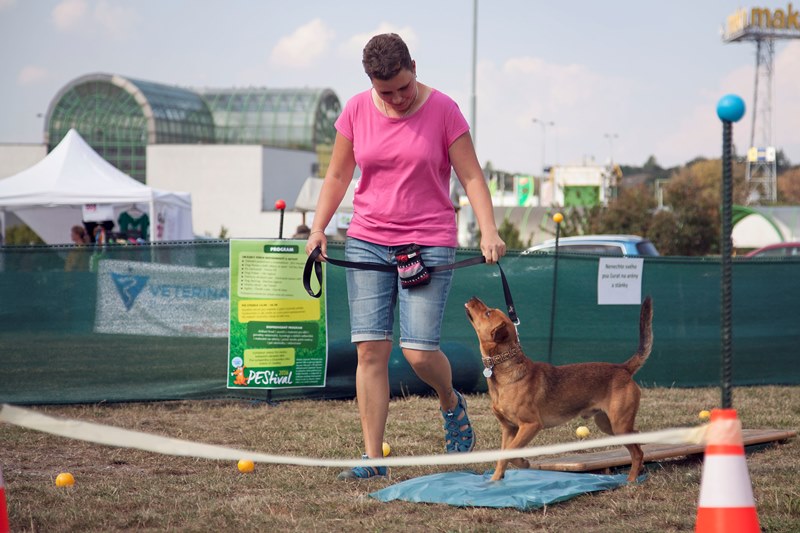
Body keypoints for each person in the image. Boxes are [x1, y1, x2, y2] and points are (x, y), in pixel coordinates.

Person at [305, 33, 506, 480]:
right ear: (370, 83)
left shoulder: (445, 110)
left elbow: (471, 176)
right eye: (385, 91)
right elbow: (338, 175)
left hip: (429, 240)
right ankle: (373, 459)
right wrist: (318, 228)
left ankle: (451, 403)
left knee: (417, 352)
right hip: (368, 238)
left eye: (403, 87)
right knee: (371, 350)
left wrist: (489, 230)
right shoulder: (356, 110)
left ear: (413, 66)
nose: (396, 98)